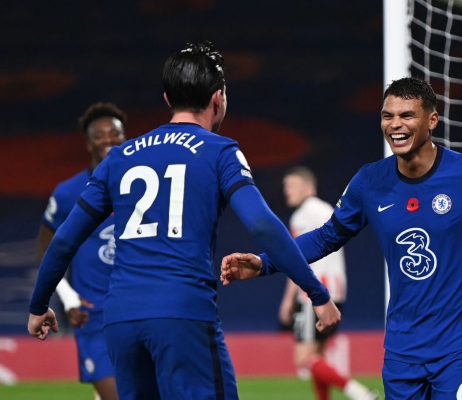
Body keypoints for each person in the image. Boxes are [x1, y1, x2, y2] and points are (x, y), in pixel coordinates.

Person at [220, 76, 462, 400]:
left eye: (407, 115)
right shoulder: (369, 182)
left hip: (460, 343)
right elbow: (326, 237)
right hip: (402, 346)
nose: (395, 124)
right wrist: (265, 263)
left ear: (432, 121)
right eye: (387, 116)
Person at [28, 41, 341, 400]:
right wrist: (316, 293)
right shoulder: (220, 151)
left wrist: (39, 306)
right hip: (181, 312)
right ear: (218, 99)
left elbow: (64, 240)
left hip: (120, 321)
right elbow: (262, 225)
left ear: (167, 98)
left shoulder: (120, 157)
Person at [36, 102, 126, 400]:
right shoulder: (67, 193)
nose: (108, 139)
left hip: (139, 307)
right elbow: (46, 247)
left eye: (115, 133)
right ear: (88, 143)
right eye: (99, 135)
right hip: (93, 315)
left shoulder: (143, 186)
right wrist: (67, 296)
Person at [280, 166, 376, 400]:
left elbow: (297, 259)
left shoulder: (302, 215)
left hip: (313, 294)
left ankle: (358, 392)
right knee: (318, 356)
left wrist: (288, 300)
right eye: (286, 186)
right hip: (336, 291)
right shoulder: (327, 210)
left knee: (304, 359)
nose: (287, 191)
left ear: (308, 188)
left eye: (292, 185)